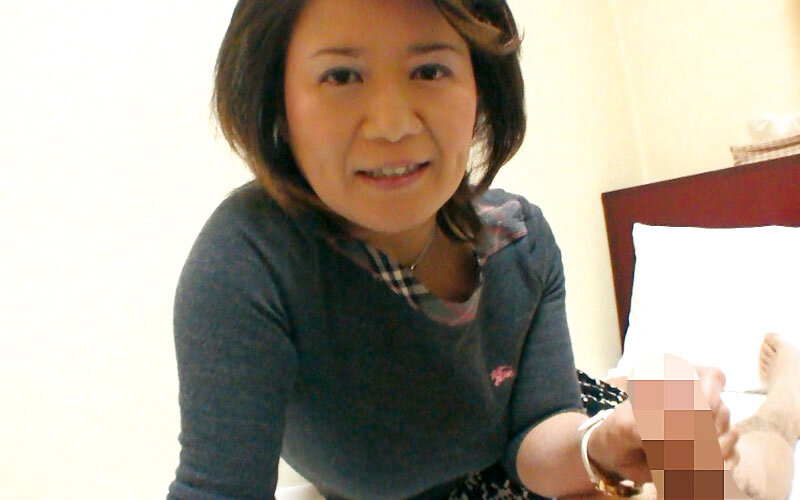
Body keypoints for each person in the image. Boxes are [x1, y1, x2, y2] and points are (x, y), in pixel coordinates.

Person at [166, 1, 737, 499]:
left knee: (725, 471)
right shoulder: (250, 263)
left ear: (481, 89)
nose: (391, 125)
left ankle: (726, 399)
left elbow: (539, 426)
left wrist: (603, 444)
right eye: (341, 76)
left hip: (562, 450)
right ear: (278, 104)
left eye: (429, 70)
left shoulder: (518, 242)